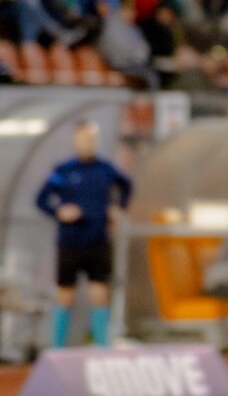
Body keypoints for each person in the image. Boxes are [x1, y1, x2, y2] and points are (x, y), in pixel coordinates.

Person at [35, 120, 133, 347]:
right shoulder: (64, 170)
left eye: (90, 139)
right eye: (82, 139)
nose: (87, 143)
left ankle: (102, 348)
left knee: (99, 294)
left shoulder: (105, 169)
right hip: (70, 242)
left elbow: (127, 186)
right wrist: (59, 211)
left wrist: (118, 208)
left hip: (97, 241)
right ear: (75, 140)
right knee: (65, 294)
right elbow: (41, 200)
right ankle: (58, 349)